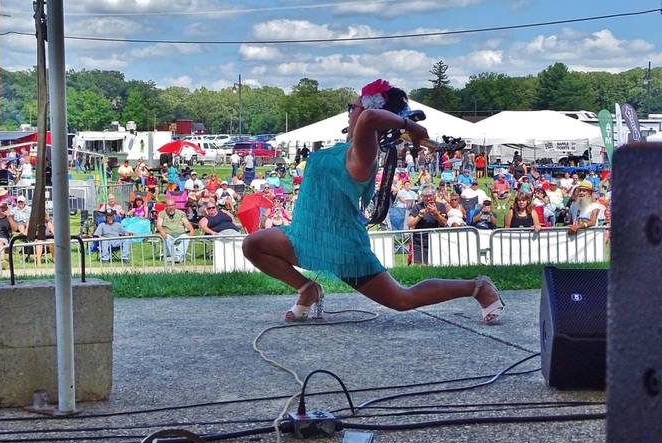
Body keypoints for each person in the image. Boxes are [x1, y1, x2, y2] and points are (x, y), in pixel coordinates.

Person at [242, 79, 503, 324]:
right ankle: (308, 290)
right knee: (253, 245)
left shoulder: (363, 153)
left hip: (343, 248)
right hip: (303, 237)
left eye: (353, 106)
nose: (350, 112)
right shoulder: (350, 146)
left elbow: (368, 119)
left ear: (368, 110)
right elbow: (366, 118)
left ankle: (478, 287)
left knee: (402, 299)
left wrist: (409, 126)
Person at [156, 199, 196, 263]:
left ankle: (176, 256)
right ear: (166, 206)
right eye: (169, 206)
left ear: (175, 206)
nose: (171, 207)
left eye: (172, 205)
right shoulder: (162, 214)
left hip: (180, 234)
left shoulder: (181, 213)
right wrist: (162, 232)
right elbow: (159, 225)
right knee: (166, 237)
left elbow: (187, 223)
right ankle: (179, 257)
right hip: (168, 234)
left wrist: (191, 230)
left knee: (186, 237)